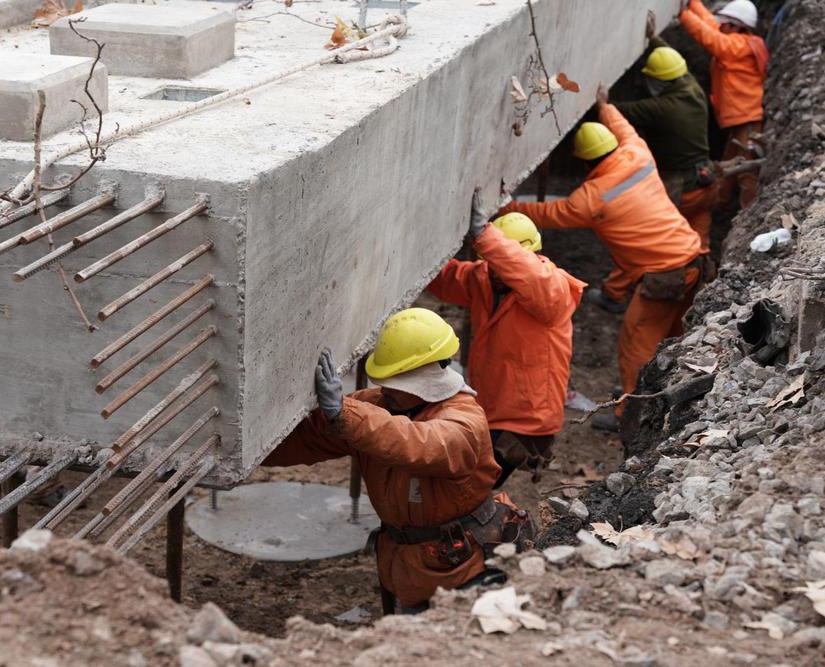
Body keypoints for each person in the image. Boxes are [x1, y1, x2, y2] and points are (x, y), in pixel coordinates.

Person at [262, 310, 535, 612]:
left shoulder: (464, 421)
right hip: (413, 565)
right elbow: (310, 437)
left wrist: (345, 413)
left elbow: (420, 443)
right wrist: (248, 451)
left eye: (395, 382)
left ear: (422, 382)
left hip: (467, 571)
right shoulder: (377, 407)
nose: (386, 389)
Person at [495, 86, 708, 431]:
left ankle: (630, 415)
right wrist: (605, 106)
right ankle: (655, 394)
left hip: (664, 275)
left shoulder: (590, 199)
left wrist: (503, 208)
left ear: (585, 161)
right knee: (674, 337)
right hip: (694, 259)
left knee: (635, 345)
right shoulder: (637, 154)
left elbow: (546, 213)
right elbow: (626, 130)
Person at [426, 189, 585, 488]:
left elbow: (529, 274)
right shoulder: (485, 278)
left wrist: (485, 236)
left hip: (527, 421)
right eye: (492, 266)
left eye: (501, 265)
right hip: (492, 409)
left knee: (469, 488)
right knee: (466, 486)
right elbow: (444, 278)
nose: (496, 274)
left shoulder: (552, 290)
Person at [592, 11, 717, 316]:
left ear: (659, 81)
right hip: (705, 181)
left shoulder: (663, 107)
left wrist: (603, 104)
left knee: (643, 235)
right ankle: (703, 292)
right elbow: (673, 64)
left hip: (678, 185)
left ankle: (613, 294)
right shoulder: (691, 87)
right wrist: (654, 39)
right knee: (697, 240)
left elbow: (623, 113)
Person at [680, 0, 768, 208]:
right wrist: (693, 4)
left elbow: (710, 37)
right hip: (741, 118)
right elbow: (711, 26)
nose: (720, 26)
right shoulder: (739, 41)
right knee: (729, 165)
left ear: (735, 26)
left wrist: (683, 15)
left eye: (724, 24)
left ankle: (747, 213)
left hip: (746, 119)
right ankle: (717, 203)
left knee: (747, 169)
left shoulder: (738, 46)